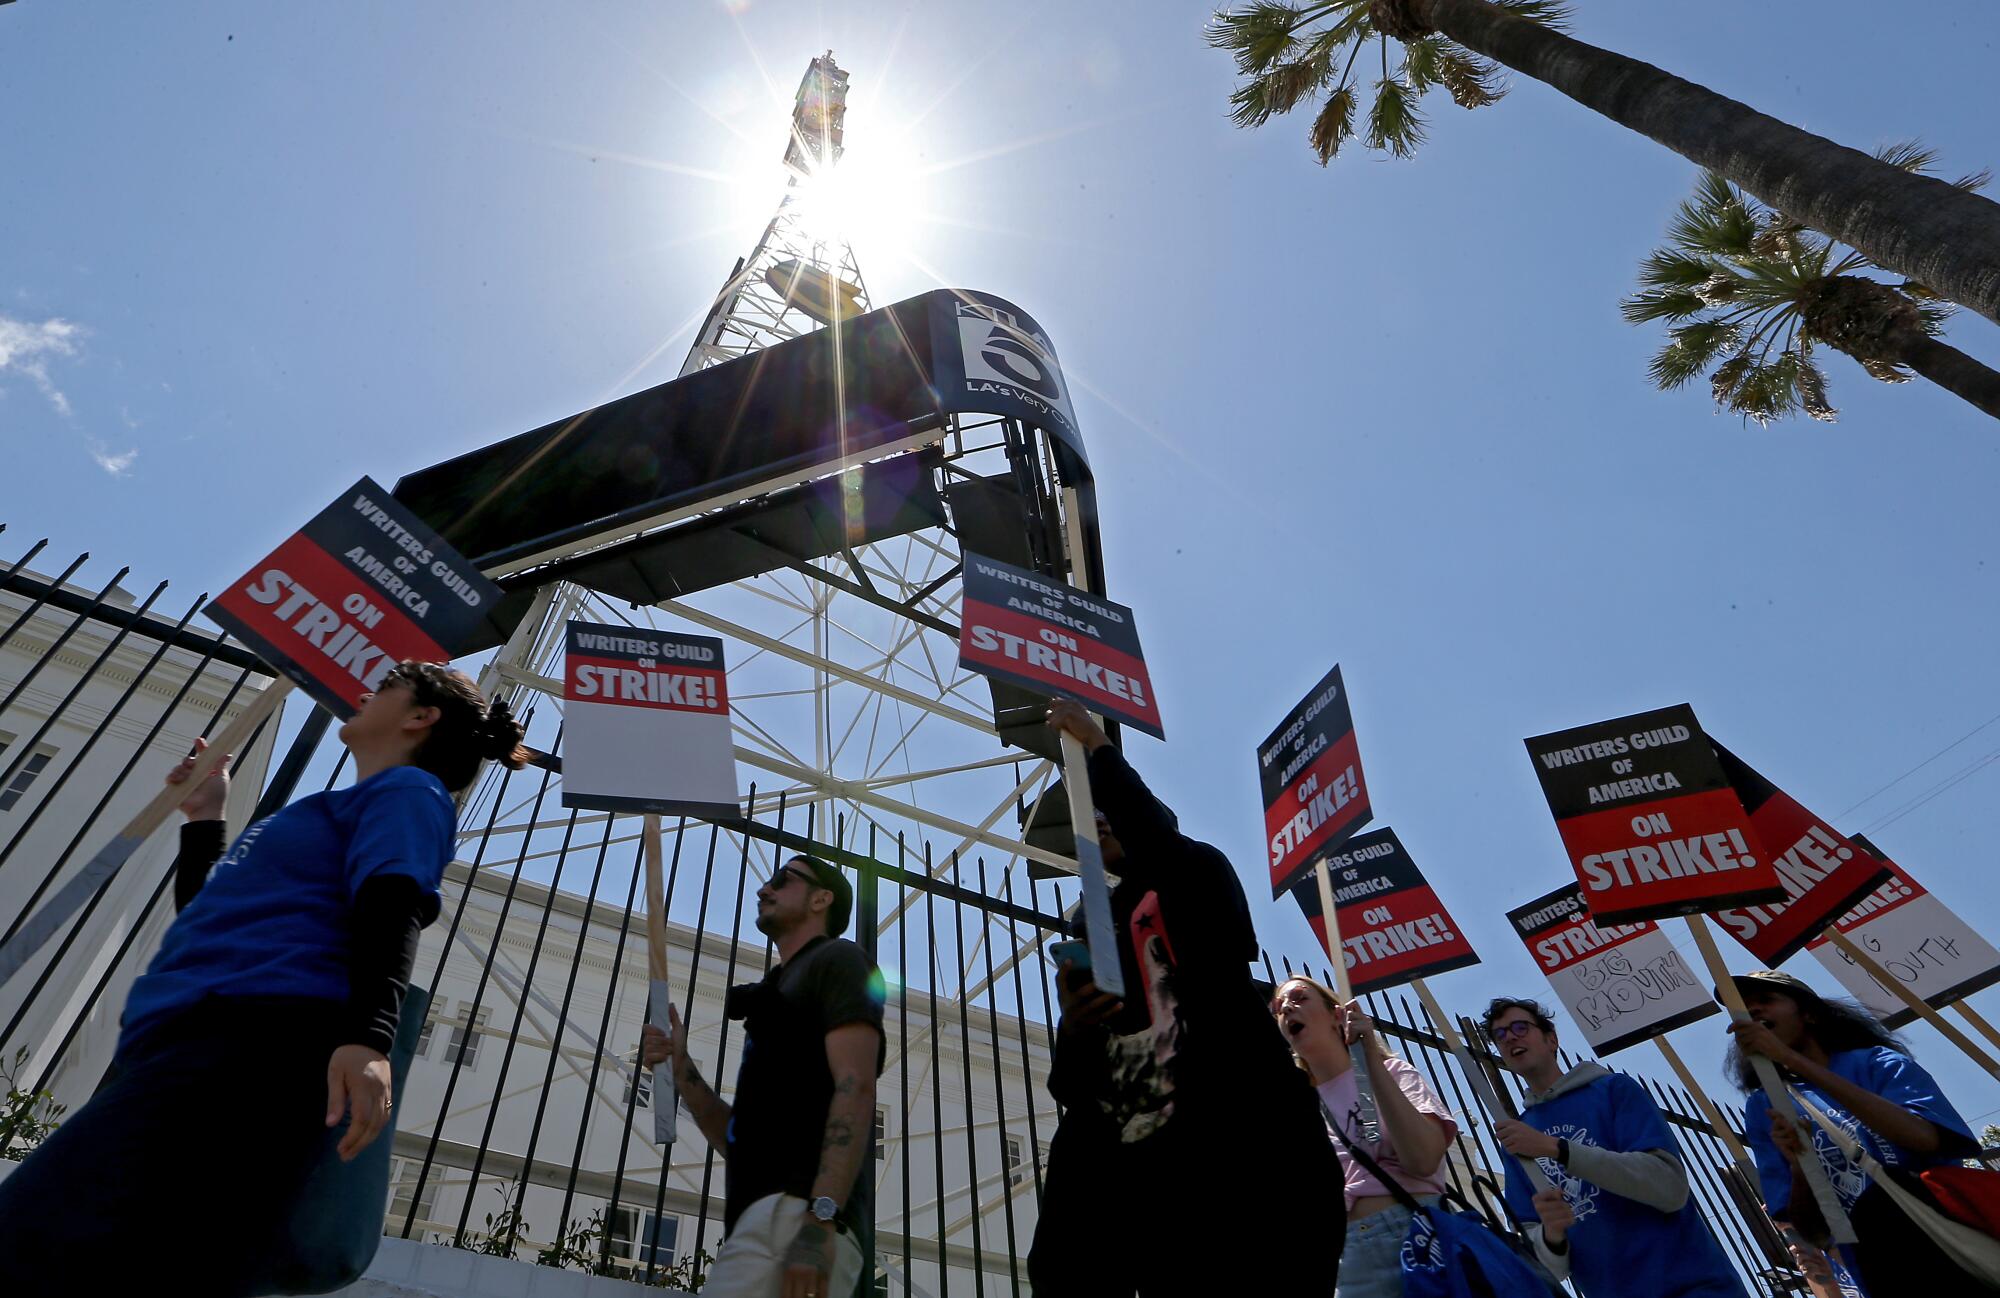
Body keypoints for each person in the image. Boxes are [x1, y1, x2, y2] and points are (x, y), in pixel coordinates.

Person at [0, 660, 527, 1296]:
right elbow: (213, 918)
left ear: (421, 718)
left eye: (385, 685)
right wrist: (205, 816)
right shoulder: (321, 809)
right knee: (154, 1259)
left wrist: (369, 1037)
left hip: (254, 1049)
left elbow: (393, 899)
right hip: (183, 1044)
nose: (364, 689)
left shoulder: (408, 793)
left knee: (36, 1235)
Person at [1024, 700, 1344, 1297]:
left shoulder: (1196, 871)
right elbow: (1073, 1088)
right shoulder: (1094, 924)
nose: (1098, 820)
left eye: (1111, 813)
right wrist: (1075, 1026)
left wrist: (1097, 748)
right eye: (1092, 815)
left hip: (1230, 1156)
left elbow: (1162, 846)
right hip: (1132, 1163)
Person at [641, 853, 885, 1298]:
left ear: (821, 899)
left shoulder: (839, 961)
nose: (763, 889)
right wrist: (681, 1069)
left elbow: (856, 1085)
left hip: (798, 1219)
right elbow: (738, 1138)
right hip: (760, 1223)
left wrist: (820, 1220)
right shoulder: (775, 991)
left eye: (781, 879)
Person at [1723, 969, 1982, 1296]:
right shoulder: (1765, 1107)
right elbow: (1813, 1232)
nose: (1754, 1012)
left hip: (1949, 1242)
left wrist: (1790, 1058)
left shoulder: (1878, 1063)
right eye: (1745, 1009)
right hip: (1877, 1272)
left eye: (1766, 1000)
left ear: (1810, 1014)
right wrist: (1798, 1166)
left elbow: (1926, 1139)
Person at [1480, 996, 1744, 1298]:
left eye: (1520, 1027)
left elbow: (1669, 1188)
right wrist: (1552, 1235)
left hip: (1692, 1286)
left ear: (1551, 1039)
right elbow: (1546, 1268)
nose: (1510, 1037)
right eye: (1499, 1035)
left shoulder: (1613, 1091)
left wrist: (1559, 1149)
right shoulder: (1518, 1142)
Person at [1273, 975, 1457, 1298]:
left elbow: (1424, 1159)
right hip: (1350, 1262)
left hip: (1417, 1238)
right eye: (1278, 1008)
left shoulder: (1394, 1073)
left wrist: (1368, 1058)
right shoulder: (1298, 1109)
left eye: (1300, 997)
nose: (1287, 1007)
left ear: (1336, 1015)